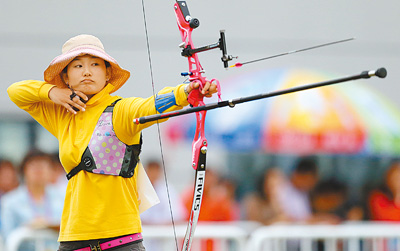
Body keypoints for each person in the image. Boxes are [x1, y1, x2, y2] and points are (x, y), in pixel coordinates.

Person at [7, 34, 218, 251]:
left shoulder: (120, 111)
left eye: (95, 64)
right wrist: (52, 92)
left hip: (120, 240)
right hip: (73, 238)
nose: (87, 71)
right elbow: (15, 92)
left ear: (107, 73)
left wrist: (186, 91)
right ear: (66, 76)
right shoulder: (63, 115)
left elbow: (151, 106)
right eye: (77, 65)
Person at [1, 150, 64, 250]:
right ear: (23, 171)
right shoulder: (9, 202)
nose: (39, 171)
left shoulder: (63, 197)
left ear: (52, 171)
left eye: (43, 166)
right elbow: (7, 237)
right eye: (34, 166)